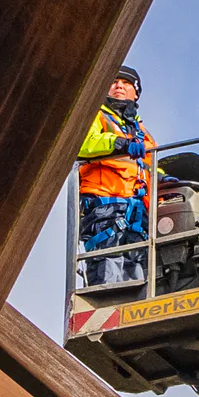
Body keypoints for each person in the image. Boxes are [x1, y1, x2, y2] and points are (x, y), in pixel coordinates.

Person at [76, 64, 152, 288]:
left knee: (137, 271)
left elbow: (147, 166)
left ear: (135, 92)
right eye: (114, 81)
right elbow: (82, 144)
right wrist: (119, 143)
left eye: (126, 83)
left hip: (137, 211)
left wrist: (162, 178)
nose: (119, 85)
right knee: (107, 266)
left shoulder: (141, 132)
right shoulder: (96, 116)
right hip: (105, 205)